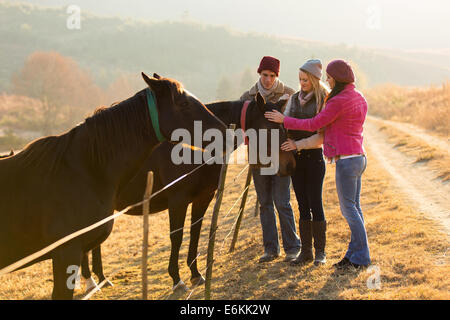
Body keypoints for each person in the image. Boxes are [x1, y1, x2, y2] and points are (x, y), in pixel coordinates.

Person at [265, 59, 371, 269]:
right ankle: (351, 254)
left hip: (345, 159)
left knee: (348, 209)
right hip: (357, 156)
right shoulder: (358, 96)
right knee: (353, 208)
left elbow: (315, 124)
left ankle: (361, 256)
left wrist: (286, 123)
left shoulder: (334, 101)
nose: (328, 81)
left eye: (330, 77)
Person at [240, 56, 301, 263]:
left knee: (282, 201)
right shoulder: (247, 98)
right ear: (260, 74)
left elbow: (298, 124)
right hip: (258, 158)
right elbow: (241, 127)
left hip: (282, 157)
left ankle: (293, 247)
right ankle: (270, 249)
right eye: (265, 75)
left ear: (277, 76)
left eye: (272, 75)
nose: (268, 79)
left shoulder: (290, 95)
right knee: (265, 203)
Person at [281, 59, 329, 266]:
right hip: (296, 161)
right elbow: (285, 124)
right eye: (300, 79)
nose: (302, 83)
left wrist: (297, 144)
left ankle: (321, 253)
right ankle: (306, 252)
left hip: (314, 159)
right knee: (302, 205)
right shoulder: (292, 100)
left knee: (315, 203)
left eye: (306, 80)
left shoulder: (323, 100)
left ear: (315, 79)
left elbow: (321, 137)